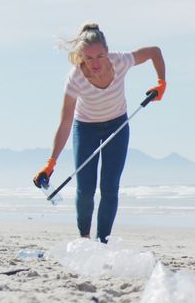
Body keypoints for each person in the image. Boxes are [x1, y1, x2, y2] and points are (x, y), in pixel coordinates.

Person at [33, 23, 166, 243]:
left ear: (107, 51)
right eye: (88, 57)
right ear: (80, 56)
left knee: (109, 187)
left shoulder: (120, 61)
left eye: (100, 56)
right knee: (85, 189)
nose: (95, 63)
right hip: (85, 128)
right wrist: (51, 162)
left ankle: (103, 242)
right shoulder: (75, 79)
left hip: (118, 125)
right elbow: (65, 122)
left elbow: (154, 52)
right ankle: (84, 239)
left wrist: (161, 82)